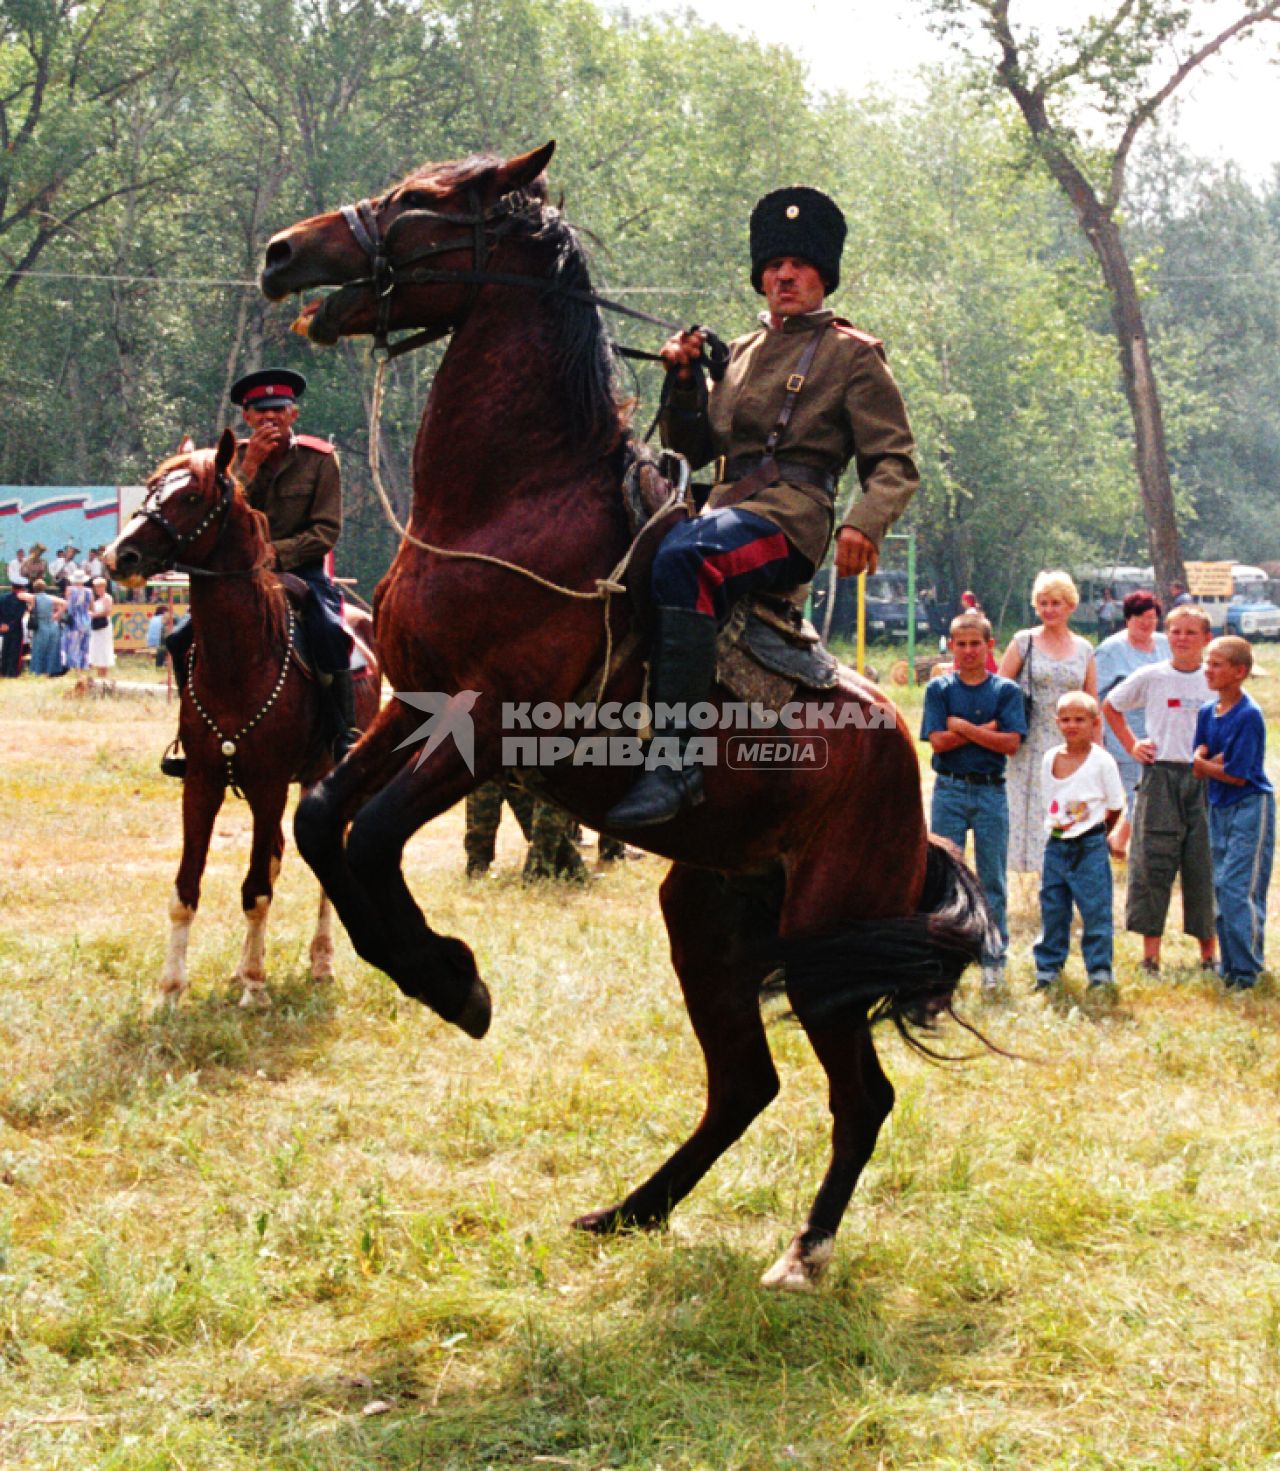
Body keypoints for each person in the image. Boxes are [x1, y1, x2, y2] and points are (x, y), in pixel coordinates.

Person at [605, 186, 919, 827]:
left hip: (792, 519)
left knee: (689, 560)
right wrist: (687, 380)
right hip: (722, 509)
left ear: (822, 275)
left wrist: (865, 521)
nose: (784, 275)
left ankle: (677, 763)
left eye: (798, 266)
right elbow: (688, 445)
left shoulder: (853, 355)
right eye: (774, 267)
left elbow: (894, 462)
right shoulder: (741, 354)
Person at [165, 367, 359, 774]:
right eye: (260, 412)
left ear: (294, 415)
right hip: (238, 577)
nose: (270, 418)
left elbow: (325, 530)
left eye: (279, 410)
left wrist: (273, 554)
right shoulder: (229, 462)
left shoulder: (320, 460)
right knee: (182, 638)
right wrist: (245, 472)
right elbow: (220, 516)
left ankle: (342, 733)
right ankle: (191, 736)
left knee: (329, 633)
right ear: (247, 417)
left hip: (301, 572)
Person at [1103, 604, 1216, 975]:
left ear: (1206, 639)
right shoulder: (1152, 676)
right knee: (1153, 863)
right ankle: (1150, 956)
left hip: (1203, 779)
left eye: (1191, 632)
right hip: (1160, 776)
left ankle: (1208, 955)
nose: (1182, 639)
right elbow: (1111, 705)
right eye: (1176, 632)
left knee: (1203, 864)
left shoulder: (1215, 680)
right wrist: (1133, 744)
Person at [920, 611, 1027, 991]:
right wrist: (986, 729)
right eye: (961, 644)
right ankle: (942, 957)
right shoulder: (940, 690)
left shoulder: (1005, 692)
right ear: (951, 646)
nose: (967, 651)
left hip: (990, 791)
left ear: (989, 646)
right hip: (949, 788)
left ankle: (993, 958)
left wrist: (961, 727)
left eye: (975, 644)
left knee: (992, 878)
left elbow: (1011, 743)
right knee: (944, 877)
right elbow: (938, 742)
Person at [998, 570, 1097, 873]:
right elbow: (999, 690)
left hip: (1070, 739)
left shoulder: (1084, 649)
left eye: (1056, 603)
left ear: (1070, 606)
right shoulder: (1023, 641)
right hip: (1029, 739)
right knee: (1027, 806)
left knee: (1069, 805)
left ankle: (1062, 871)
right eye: (1043, 603)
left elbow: (1093, 702)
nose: (1049, 610)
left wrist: (1098, 749)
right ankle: (1027, 871)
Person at [1192, 636, 1274, 990]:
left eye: (1217, 665)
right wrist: (1206, 762)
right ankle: (1230, 965)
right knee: (1221, 886)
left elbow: (1238, 774)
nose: (1208, 670)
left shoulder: (1249, 715)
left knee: (1241, 887)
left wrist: (1204, 764)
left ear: (1240, 672)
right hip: (1218, 805)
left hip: (1249, 807)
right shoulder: (1207, 713)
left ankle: (1248, 971)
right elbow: (1202, 754)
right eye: (1207, 663)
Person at [1033, 692, 1126, 991]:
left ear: (1094, 723)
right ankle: (1048, 969)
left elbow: (1115, 805)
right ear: (1057, 722)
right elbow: (1052, 801)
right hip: (1057, 845)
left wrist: (1096, 832)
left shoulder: (1102, 762)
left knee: (1095, 910)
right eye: (1066, 719)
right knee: (1053, 907)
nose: (1072, 725)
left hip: (1090, 846)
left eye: (1080, 720)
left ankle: (1099, 972)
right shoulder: (1049, 759)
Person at [1091, 590, 1170, 858]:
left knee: (1151, 793)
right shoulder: (1111, 650)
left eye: (1151, 617)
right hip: (1122, 733)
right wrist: (1097, 736)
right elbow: (1094, 694)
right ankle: (1119, 844)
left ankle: (1116, 841)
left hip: (1160, 732)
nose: (1146, 623)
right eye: (1139, 618)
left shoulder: (1165, 644)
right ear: (1127, 620)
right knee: (1138, 792)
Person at [464, 778, 588, 882]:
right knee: (482, 816)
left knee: (541, 825)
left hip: (522, 765)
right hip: (489, 764)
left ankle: (565, 868)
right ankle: (476, 867)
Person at [18, 578, 66, 675]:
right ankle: (52, 670)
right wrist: (57, 615)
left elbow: (20, 595)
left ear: (34, 588)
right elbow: (65, 603)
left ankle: (38, 670)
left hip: (41, 625)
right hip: (53, 625)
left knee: (39, 649)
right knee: (52, 649)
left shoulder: (34, 598)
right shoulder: (51, 598)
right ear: (45, 588)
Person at [61, 569, 92, 670]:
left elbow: (67, 604)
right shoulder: (89, 591)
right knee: (84, 643)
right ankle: (84, 664)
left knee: (72, 642)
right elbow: (91, 606)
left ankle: (74, 665)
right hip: (85, 619)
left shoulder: (70, 590)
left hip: (73, 618)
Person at [87, 576, 115, 680]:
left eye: (99, 587)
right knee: (97, 649)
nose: (97, 589)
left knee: (104, 649)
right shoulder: (96, 599)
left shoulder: (107, 598)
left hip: (104, 627)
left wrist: (94, 615)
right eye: (96, 587)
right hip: (96, 627)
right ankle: (99, 673)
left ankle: (104, 674)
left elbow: (107, 611)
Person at [0, 581, 27, 675]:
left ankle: (3, 670)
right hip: (15, 628)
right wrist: (10, 625)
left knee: (5, 649)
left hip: (3, 627)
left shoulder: (2, 597)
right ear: (21, 589)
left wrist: (2, 624)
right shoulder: (21, 600)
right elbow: (19, 616)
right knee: (14, 650)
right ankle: (11, 671)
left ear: (12, 587)